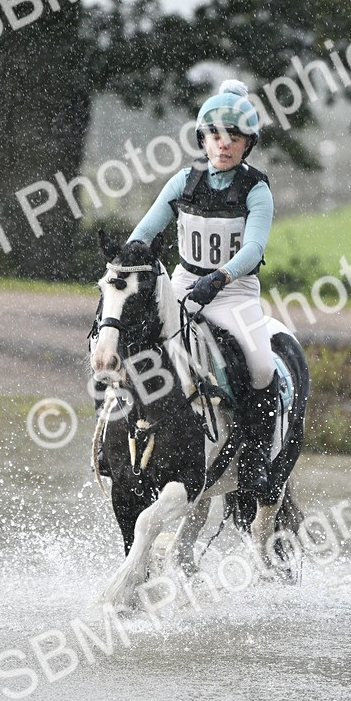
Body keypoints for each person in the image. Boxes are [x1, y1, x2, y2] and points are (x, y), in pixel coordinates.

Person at [128, 79, 278, 495]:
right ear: (203, 139)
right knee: (137, 342)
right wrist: (125, 263)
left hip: (233, 292)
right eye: (215, 135)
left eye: (234, 137)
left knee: (261, 366)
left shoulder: (256, 190)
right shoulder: (183, 182)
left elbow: (254, 248)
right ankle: (122, 433)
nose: (224, 144)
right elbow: (144, 232)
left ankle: (254, 459)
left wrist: (221, 277)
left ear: (248, 144)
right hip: (183, 281)